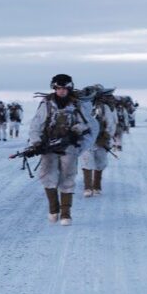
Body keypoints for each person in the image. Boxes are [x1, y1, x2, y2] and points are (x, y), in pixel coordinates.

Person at [28, 74, 98, 226]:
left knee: (68, 178)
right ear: (54, 88)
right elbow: (36, 125)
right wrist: (36, 143)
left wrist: (77, 136)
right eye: (59, 88)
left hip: (69, 147)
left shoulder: (77, 105)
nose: (61, 91)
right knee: (47, 177)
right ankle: (54, 210)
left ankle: (66, 214)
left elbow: (90, 126)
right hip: (49, 146)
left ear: (69, 88)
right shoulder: (46, 104)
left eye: (64, 88)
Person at [80, 85, 117, 197]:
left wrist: (106, 137)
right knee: (86, 162)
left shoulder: (104, 108)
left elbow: (110, 124)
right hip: (86, 140)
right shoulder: (82, 107)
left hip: (101, 141)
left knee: (100, 163)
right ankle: (87, 187)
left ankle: (96, 186)